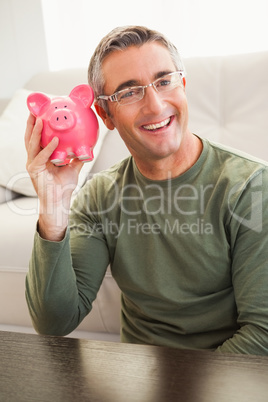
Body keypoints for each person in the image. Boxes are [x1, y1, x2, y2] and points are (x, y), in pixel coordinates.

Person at [25, 25, 268, 355]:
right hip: (140, 378)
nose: (155, 105)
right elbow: (54, 322)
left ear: (183, 85)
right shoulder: (100, 195)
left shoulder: (252, 186)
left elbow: (263, 333)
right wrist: (52, 207)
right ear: (105, 115)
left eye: (164, 81)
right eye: (129, 92)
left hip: (226, 380)